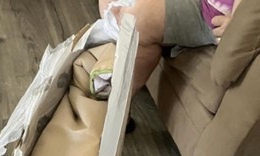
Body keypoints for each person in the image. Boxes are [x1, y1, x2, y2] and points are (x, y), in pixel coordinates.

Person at [99, 0, 243, 97]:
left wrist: (238, 17)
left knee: (136, 19)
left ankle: (120, 100)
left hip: (214, 10)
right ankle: (116, 46)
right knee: (120, 12)